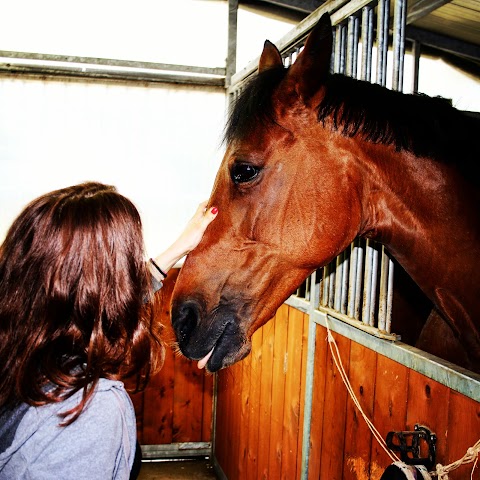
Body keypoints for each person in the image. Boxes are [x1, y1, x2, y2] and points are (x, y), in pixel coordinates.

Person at [0, 181, 218, 480]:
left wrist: (180, 246)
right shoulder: (88, 411)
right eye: (126, 265)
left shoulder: (18, 353)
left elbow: (107, 297)